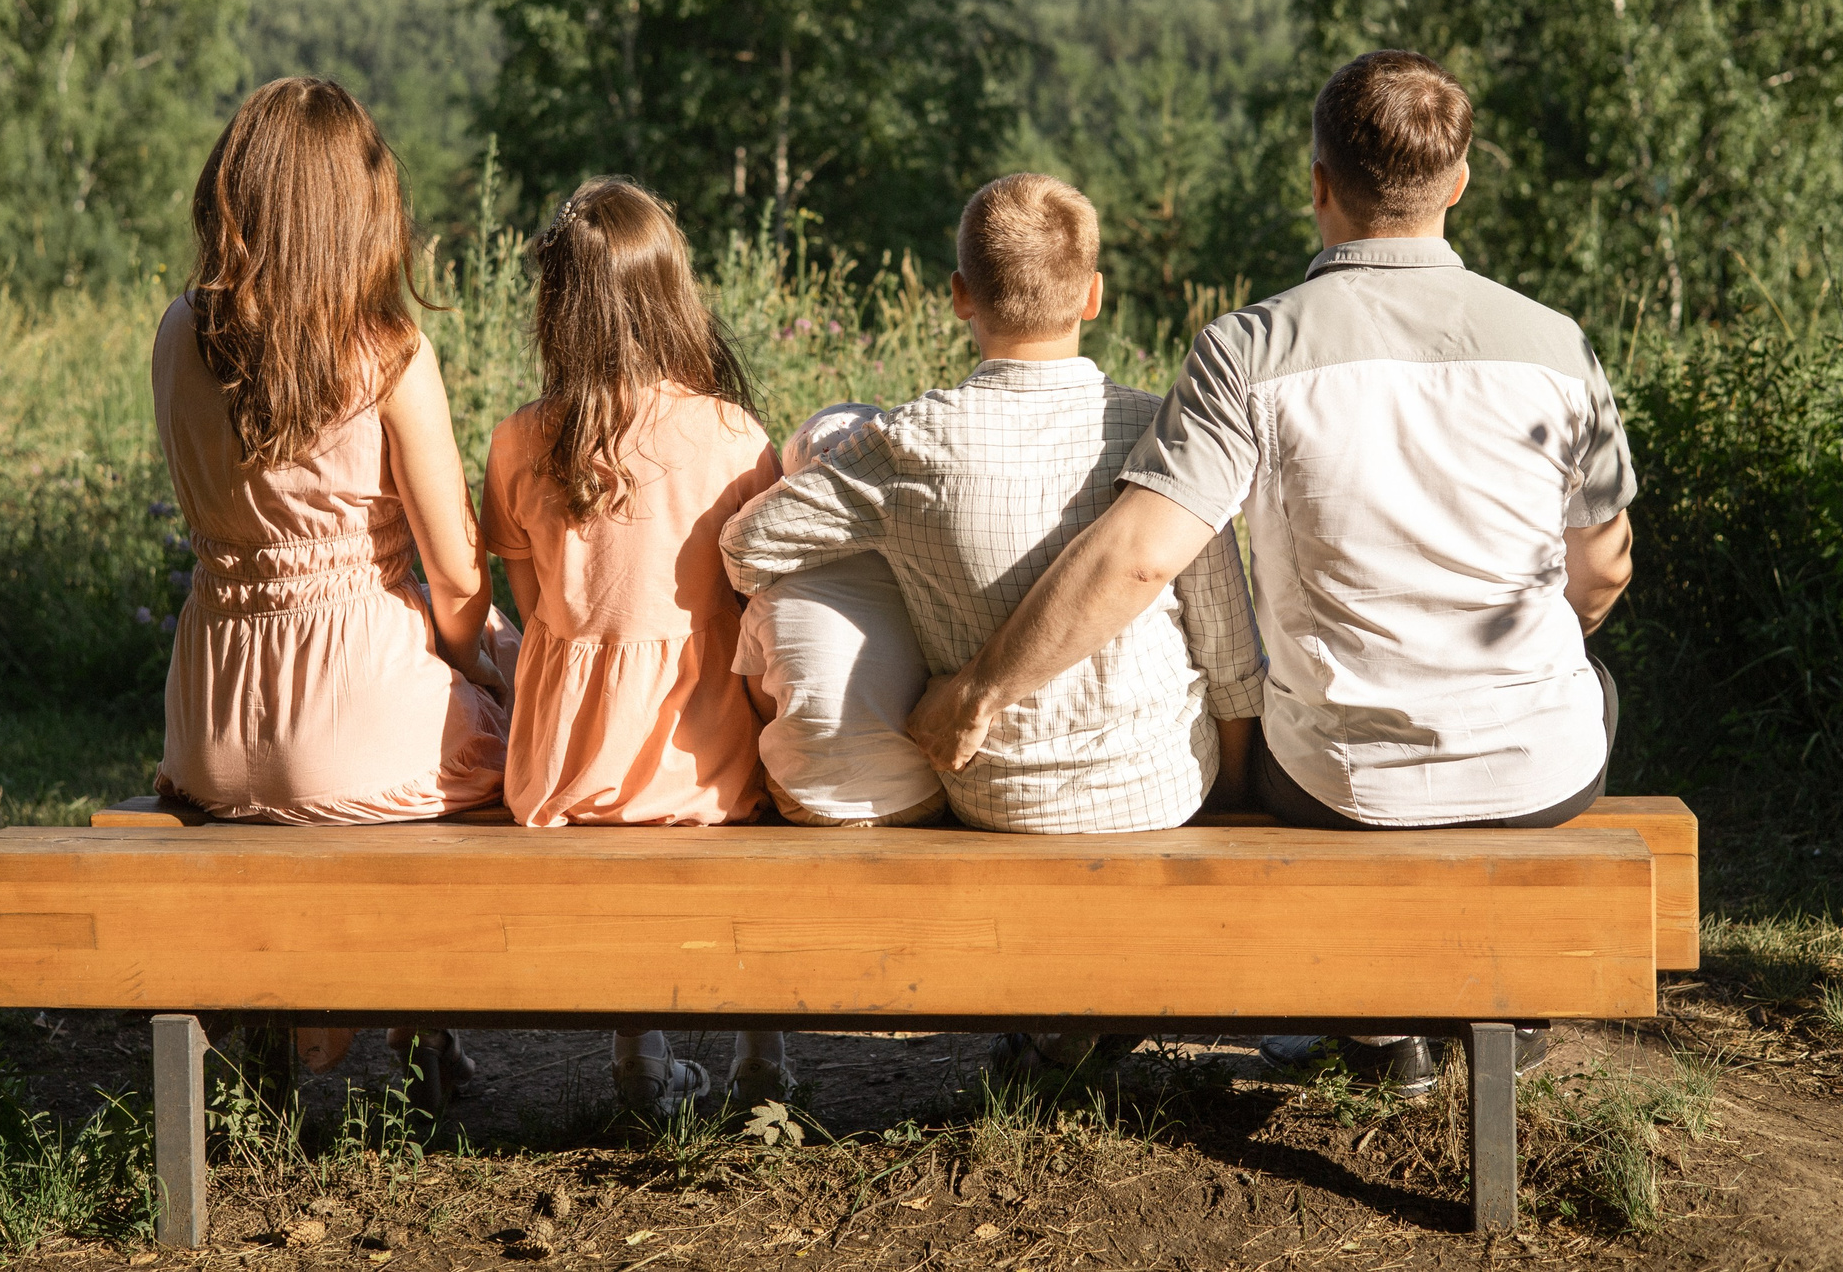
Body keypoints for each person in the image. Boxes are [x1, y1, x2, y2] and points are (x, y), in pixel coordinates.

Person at [907, 53, 1638, 1094]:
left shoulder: (1248, 350)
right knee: (1594, 693)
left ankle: (1384, 1025)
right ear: (1459, 181)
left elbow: (1139, 552)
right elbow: (1602, 569)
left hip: (1340, 783)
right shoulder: (1556, 348)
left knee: (1253, 754)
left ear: (1319, 184)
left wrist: (980, 690)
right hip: (1537, 769)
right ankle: (1462, 1009)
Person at [721, 173, 1266, 1078]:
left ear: (959, 296)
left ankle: (1060, 1026)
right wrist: (1235, 794)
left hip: (998, 797)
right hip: (1162, 788)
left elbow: (748, 549)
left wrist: (893, 557)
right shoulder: (1155, 432)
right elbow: (1227, 646)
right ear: (1094, 294)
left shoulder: (906, 445)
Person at [152, 76, 512, 1101]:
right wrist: (494, 665)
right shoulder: (386, 354)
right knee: (514, 743)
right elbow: (453, 576)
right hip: (351, 711)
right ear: (356, 208)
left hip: (213, 718)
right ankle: (406, 1019)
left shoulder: (180, 331)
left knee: (354, 786)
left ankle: (313, 1024)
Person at [479, 177, 788, 1116]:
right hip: (702, 766)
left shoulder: (521, 441)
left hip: (565, 769)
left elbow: (535, 610)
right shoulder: (734, 438)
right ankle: (764, 1058)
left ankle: (640, 1063)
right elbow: (758, 602)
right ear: (671, 294)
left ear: (555, 306)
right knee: (771, 742)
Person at [733, 404, 946, 829]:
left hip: (807, 800)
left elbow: (762, 697)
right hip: (920, 793)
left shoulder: (771, 590)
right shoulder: (915, 572)